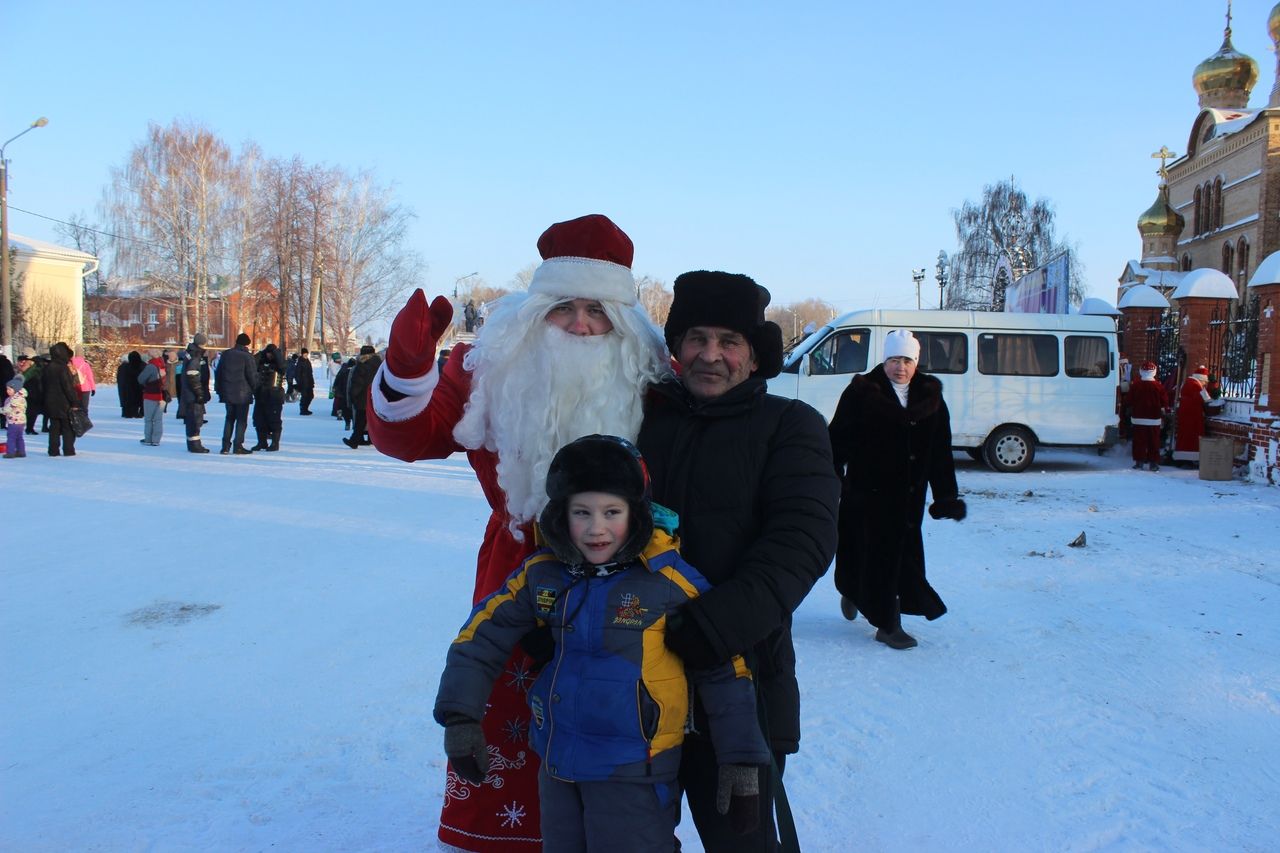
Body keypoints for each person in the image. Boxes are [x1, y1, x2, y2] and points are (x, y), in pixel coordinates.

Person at [368, 213, 670, 851]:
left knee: (615, 750)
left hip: (626, 597)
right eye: (565, 308)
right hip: (516, 581)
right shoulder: (493, 371)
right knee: (508, 744)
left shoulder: (651, 379)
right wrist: (407, 369)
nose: (583, 325)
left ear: (625, 320)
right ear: (536, 312)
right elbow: (410, 436)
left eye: (598, 310)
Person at [435, 435, 769, 851]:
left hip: (637, 773)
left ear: (637, 513)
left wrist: (741, 760)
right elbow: (481, 636)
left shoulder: (668, 581)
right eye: (582, 512)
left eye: (612, 511)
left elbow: (724, 671)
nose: (596, 528)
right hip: (559, 769)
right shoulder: (543, 574)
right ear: (561, 515)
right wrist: (460, 716)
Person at [635, 270, 840, 851]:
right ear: (676, 346)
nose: (710, 355)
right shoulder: (641, 421)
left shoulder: (789, 426)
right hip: (636, 686)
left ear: (754, 357)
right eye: (697, 338)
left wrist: (715, 627)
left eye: (729, 342)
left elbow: (802, 540)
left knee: (740, 840)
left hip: (740, 685)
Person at [826, 329, 966, 652]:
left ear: (916, 362)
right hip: (865, 496)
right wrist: (831, 474)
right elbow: (837, 439)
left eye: (906, 360)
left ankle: (861, 596)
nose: (899, 367)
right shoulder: (862, 392)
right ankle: (887, 625)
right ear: (884, 360)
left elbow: (940, 452)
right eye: (893, 359)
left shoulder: (930, 397)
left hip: (908, 501)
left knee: (899, 558)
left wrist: (946, 496)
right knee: (868, 552)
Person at [216, 333, 259, 455]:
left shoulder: (226, 354)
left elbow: (218, 373)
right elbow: (252, 376)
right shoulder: (247, 356)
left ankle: (225, 446)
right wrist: (256, 389)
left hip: (228, 392)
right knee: (241, 420)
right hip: (243, 394)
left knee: (229, 418)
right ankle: (238, 445)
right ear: (247, 344)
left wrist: (219, 389)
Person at [1173, 364, 1224, 467]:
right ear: (1202, 379)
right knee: (1192, 438)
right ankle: (1190, 459)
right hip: (1193, 416)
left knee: (1184, 437)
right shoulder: (1195, 385)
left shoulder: (1189, 382)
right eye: (1205, 382)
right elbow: (1205, 398)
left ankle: (1182, 459)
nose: (1205, 383)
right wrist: (1212, 387)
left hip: (1186, 415)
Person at [43, 342, 82, 457]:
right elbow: (68, 387)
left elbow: (43, 386)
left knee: (54, 427)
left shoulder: (47, 368)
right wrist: (75, 401)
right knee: (67, 427)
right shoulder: (63, 368)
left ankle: (53, 450)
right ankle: (68, 449)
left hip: (50, 402)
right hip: (64, 403)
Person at [1129, 361, 1169, 472]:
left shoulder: (1135, 385)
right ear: (1154, 371)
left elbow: (1129, 400)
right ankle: (1153, 463)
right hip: (1154, 418)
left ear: (1141, 371)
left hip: (1138, 418)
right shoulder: (1158, 386)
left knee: (1139, 441)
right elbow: (1164, 401)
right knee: (1154, 441)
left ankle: (1139, 462)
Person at [342, 345, 381, 448]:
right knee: (371, 420)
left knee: (360, 420)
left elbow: (357, 383)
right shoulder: (379, 365)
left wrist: (353, 395)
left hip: (363, 397)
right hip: (375, 397)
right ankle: (368, 439)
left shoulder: (362, 365)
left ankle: (354, 441)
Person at [251, 343, 287, 452]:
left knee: (274, 420)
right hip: (261, 395)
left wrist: (276, 352)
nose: (269, 356)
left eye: (271, 354)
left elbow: (282, 367)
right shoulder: (261, 362)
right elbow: (252, 362)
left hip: (274, 395)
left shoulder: (279, 364)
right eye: (268, 354)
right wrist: (262, 352)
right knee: (259, 420)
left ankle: (275, 443)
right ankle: (262, 442)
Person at [181, 334, 212, 454]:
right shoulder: (196, 356)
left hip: (190, 392)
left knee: (194, 419)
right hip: (193, 394)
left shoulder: (191, 353)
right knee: (195, 419)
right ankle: (195, 445)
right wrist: (199, 392)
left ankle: (193, 443)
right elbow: (193, 375)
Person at [137, 349, 168, 446]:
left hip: (151, 394)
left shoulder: (150, 366)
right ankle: (156, 440)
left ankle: (148, 439)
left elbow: (141, 379)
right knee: (158, 419)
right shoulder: (163, 365)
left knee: (149, 419)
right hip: (162, 395)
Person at [16, 354, 42, 436]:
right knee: (30, 411)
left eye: (25, 361)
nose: (22, 364)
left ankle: (30, 427)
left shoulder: (34, 369)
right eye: (20, 362)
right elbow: (25, 377)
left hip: (34, 392)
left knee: (32, 411)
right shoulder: (28, 370)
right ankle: (29, 427)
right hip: (28, 392)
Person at [2, 377, 27, 458]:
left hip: (14, 421)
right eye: (7, 389)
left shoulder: (15, 399)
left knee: (11, 437)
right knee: (19, 437)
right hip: (20, 421)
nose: (7, 391)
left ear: (15, 389)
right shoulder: (20, 397)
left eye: (9, 389)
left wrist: (1, 410)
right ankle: (21, 451)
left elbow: (7, 409)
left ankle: (10, 452)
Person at [118, 351, 146, 418]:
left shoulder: (125, 367)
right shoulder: (143, 365)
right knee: (141, 400)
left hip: (128, 388)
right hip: (140, 387)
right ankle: (141, 412)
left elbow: (121, 378)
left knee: (129, 400)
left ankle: (128, 413)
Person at [333, 356, 355, 430]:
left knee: (344, 408)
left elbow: (337, 380)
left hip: (343, 393)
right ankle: (352, 423)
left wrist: (336, 389)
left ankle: (347, 423)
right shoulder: (355, 372)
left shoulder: (343, 370)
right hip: (351, 394)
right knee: (352, 410)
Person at [296, 347, 315, 415]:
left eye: (306, 354)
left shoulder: (308, 362)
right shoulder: (300, 362)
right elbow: (297, 374)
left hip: (309, 381)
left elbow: (310, 372)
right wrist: (299, 383)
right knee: (304, 396)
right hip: (303, 382)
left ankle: (306, 408)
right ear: (302, 354)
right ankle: (303, 409)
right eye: (304, 354)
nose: (305, 356)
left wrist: (312, 382)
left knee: (310, 396)